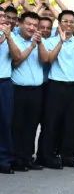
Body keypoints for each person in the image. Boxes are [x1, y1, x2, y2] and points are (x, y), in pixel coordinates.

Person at [37, 10, 74, 169]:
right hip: (56, 85)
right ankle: (46, 156)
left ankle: (68, 156)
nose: (69, 24)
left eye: (72, 22)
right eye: (65, 21)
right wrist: (61, 42)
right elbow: (48, 59)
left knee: (71, 122)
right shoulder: (50, 41)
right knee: (51, 122)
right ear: (59, 23)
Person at [9, 11, 45, 171]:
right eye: (28, 24)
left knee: (32, 125)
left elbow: (45, 60)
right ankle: (16, 159)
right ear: (20, 23)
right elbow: (16, 61)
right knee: (17, 125)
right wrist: (31, 46)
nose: (32, 27)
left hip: (37, 90)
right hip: (19, 89)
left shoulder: (39, 40)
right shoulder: (14, 39)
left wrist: (39, 43)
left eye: (35, 25)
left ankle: (28, 158)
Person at [0, 12, 12, 174]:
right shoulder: (5, 34)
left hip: (4, 82)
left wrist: (8, 36)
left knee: (5, 123)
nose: (3, 18)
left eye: (4, 16)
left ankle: (4, 160)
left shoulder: (11, 34)